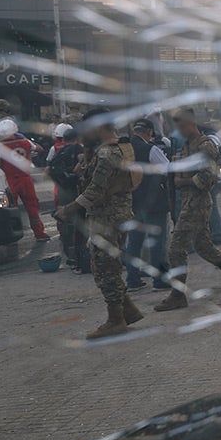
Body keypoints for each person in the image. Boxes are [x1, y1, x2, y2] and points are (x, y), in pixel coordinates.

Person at [154, 108, 221, 312]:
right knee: (204, 247)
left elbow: (208, 178)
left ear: (191, 124)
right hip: (188, 202)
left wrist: (182, 181)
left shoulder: (205, 146)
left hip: (197, 203)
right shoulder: (186, 146)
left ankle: (177, 294)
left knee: (176, 249)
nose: (179, 130)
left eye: (182, 126)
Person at [53, 108, 142, 339]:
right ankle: (128, 310)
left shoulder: (107, 154)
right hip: (116, 215)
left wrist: (68, 210)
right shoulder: (119, 147)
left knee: (104, 268)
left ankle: (116, 319)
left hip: (107, 218)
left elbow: (95, 190)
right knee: (107, 265)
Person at [124, 118, 172, 291]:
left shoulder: (124, 149)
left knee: (134, 242)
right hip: (153, 203)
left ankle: (132, 280)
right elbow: (168, 170)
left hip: (132, 203)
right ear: (150, 132)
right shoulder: (151, 149)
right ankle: (160, 280)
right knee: (157, 242)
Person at [0, 119, 50, 242]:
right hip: (26, 179)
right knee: (32, 206)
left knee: (9, 209)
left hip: (9, 181)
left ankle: (10, 236)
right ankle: (39, 233)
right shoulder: (26, 142)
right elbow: (39, 149)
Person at [48, 127, 87, 272]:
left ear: (63, 139)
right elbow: (81, 166)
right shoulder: (78, 149)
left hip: (62, 191)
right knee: (79, 223)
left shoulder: (58, 152)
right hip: (76, 190)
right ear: (77, 138)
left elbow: (48, 170)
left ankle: (70, 257)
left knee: (66, 222)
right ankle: (80, 258)